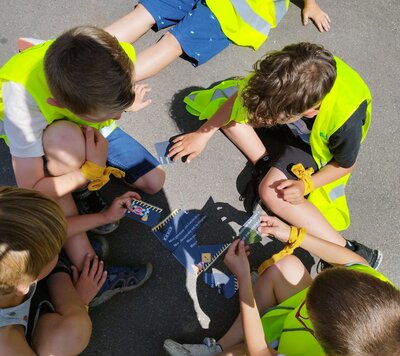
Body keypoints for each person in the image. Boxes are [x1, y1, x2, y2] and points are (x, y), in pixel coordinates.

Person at [168, 42, 382, 268]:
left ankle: (348, 251)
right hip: (292, 126)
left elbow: (346, 165)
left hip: (312, 147)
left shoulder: (344, 121)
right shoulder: (284, 71)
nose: (261, 120)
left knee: (271, 193)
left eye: (270, 118)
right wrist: (204, 133)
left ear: (310, 111)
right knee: (228, 112)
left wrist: (305, 186)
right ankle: (267, 163)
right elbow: (241, 98)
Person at [164, 215, 400, 356]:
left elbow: (262, 355)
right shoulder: (383, 300)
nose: (304, 308)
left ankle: (232, 354)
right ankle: (222, 349)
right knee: (287, 267)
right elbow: (356, 262)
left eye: (308, 313)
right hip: (294, 353)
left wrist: (244, 279)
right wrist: (295, 235)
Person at [0, 26, 163, 283]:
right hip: (58, 135)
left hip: (88, 123)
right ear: (61, 104)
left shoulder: (110, 55)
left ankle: (82, 190)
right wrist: (88, 171)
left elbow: (113, 96)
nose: (118, 117)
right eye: (112, 111)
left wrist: (124, 103)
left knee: (154, 181)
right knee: (65, 144)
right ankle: (93, 268)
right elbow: (33, 189)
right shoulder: (20, 101)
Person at [0, 186, 106, 356]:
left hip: (16, 292)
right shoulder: (4, 346)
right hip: (23, 324)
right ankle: (62, 274)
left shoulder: (11, 268)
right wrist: (78, 302)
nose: (56, 247)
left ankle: (59, 272)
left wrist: (103, 217)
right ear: (26, 283)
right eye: (53, 250)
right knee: (72, 336)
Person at [105, 0, 331, 81]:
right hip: (235, 10)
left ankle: (79, 51)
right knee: (174, 43)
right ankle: (107, 84)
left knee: (144, 14)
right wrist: (310, 5)